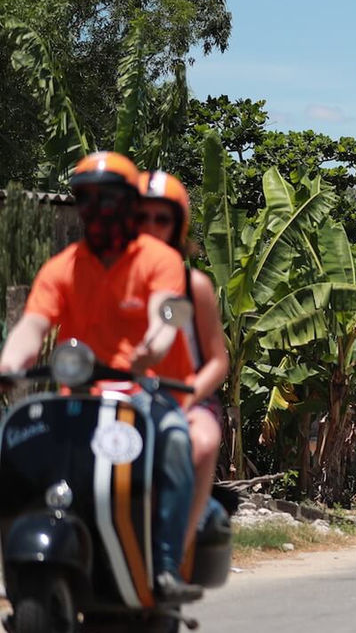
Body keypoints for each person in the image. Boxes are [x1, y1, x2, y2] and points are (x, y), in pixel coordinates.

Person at [0, 152, 201, 601]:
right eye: (87, 198)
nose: (97, 209)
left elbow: (164, 314)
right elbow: (32, 326)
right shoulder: (62, 267)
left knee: (174, 439)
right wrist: (8, 365)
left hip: (139, 394)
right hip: (77, 399)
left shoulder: (157, 260)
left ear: (128, 203)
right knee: (7, 442)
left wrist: (154, 345)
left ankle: (166, 564)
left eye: (108, 198)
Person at [136, 170, 230, 569]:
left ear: (179, 226)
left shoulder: (193, 286)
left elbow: (217, 360)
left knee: (203, 442)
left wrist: (188, 395)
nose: (152, 228)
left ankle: (174, 552)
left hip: (181, 397)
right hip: (116, 396)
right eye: (143, 217)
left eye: (163, 219)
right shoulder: (109, 279)